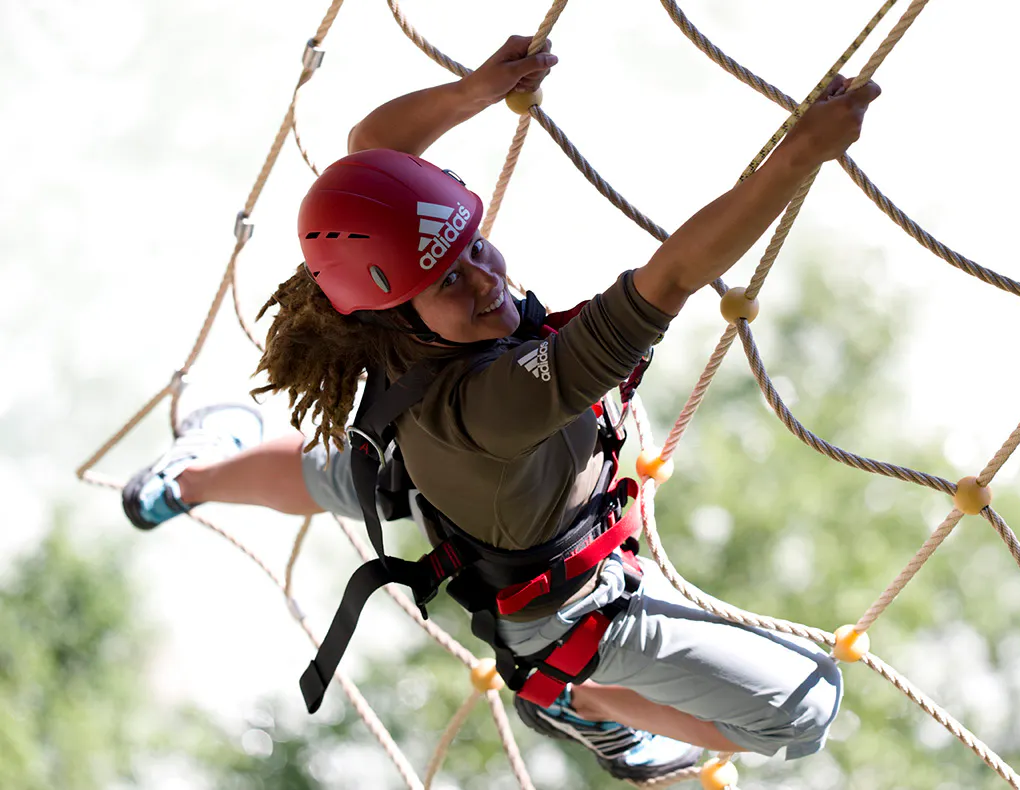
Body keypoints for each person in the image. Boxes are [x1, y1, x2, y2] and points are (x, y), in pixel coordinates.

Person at [123, 34, 880, 782]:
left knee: (345, 472)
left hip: (441, 484)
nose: (485, 282)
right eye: (449, 281)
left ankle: (185, 480)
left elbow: (375, 144)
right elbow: (674, 275)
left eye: (476, 248)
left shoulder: (384, 325)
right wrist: (799, 156)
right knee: (807, 709)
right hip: (572, 613)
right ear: (396, 312)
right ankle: (586, 704)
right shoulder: (498, 401)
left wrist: (473, 92)